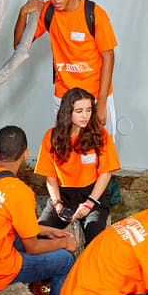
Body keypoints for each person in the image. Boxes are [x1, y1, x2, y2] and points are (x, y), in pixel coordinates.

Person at [0, 125, 76, 295]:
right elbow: (32, 248)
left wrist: (49, 231)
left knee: (30, 238)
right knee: (65, 260)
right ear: (25, 154)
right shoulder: (20, 192)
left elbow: (8, 220)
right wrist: (64, 243)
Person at [13, 0, 118, 138]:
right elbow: (19, 46)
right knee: (67, 147)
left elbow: (109, 57)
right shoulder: (48, 12)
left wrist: (101, 103)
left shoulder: (94, 14)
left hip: (95, 95)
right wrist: (23, 13)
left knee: (101, 149)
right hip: (64, 95)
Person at [35, 87, 121, 244]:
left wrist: (89, 204)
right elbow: (50, 176)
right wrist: (57, 203)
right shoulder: (51, 136)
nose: (85, 115)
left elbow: (106, 173)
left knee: (94, 233)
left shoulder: (100, 135)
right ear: (68, 112)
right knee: (41, 232)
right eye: (79, 111)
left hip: (94, 195)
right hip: (64, 196)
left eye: (88, 110)